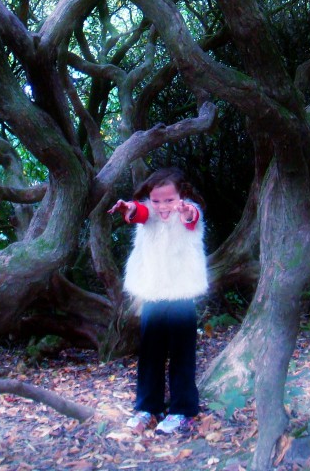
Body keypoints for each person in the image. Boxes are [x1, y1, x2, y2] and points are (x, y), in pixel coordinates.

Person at [108, 167, 208, 435]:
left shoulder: (189, 211)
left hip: (181, 294)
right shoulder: (148, 212)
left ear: (182, 195)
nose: (162, 206)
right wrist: (128, 207)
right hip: (153, 292)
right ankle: (148, 408)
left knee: (181, 355)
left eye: (169, 200)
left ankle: (182, 410)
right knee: (150, 353)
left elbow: (192, 218)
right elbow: (138, 212)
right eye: (157, 200)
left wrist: (185, 211)